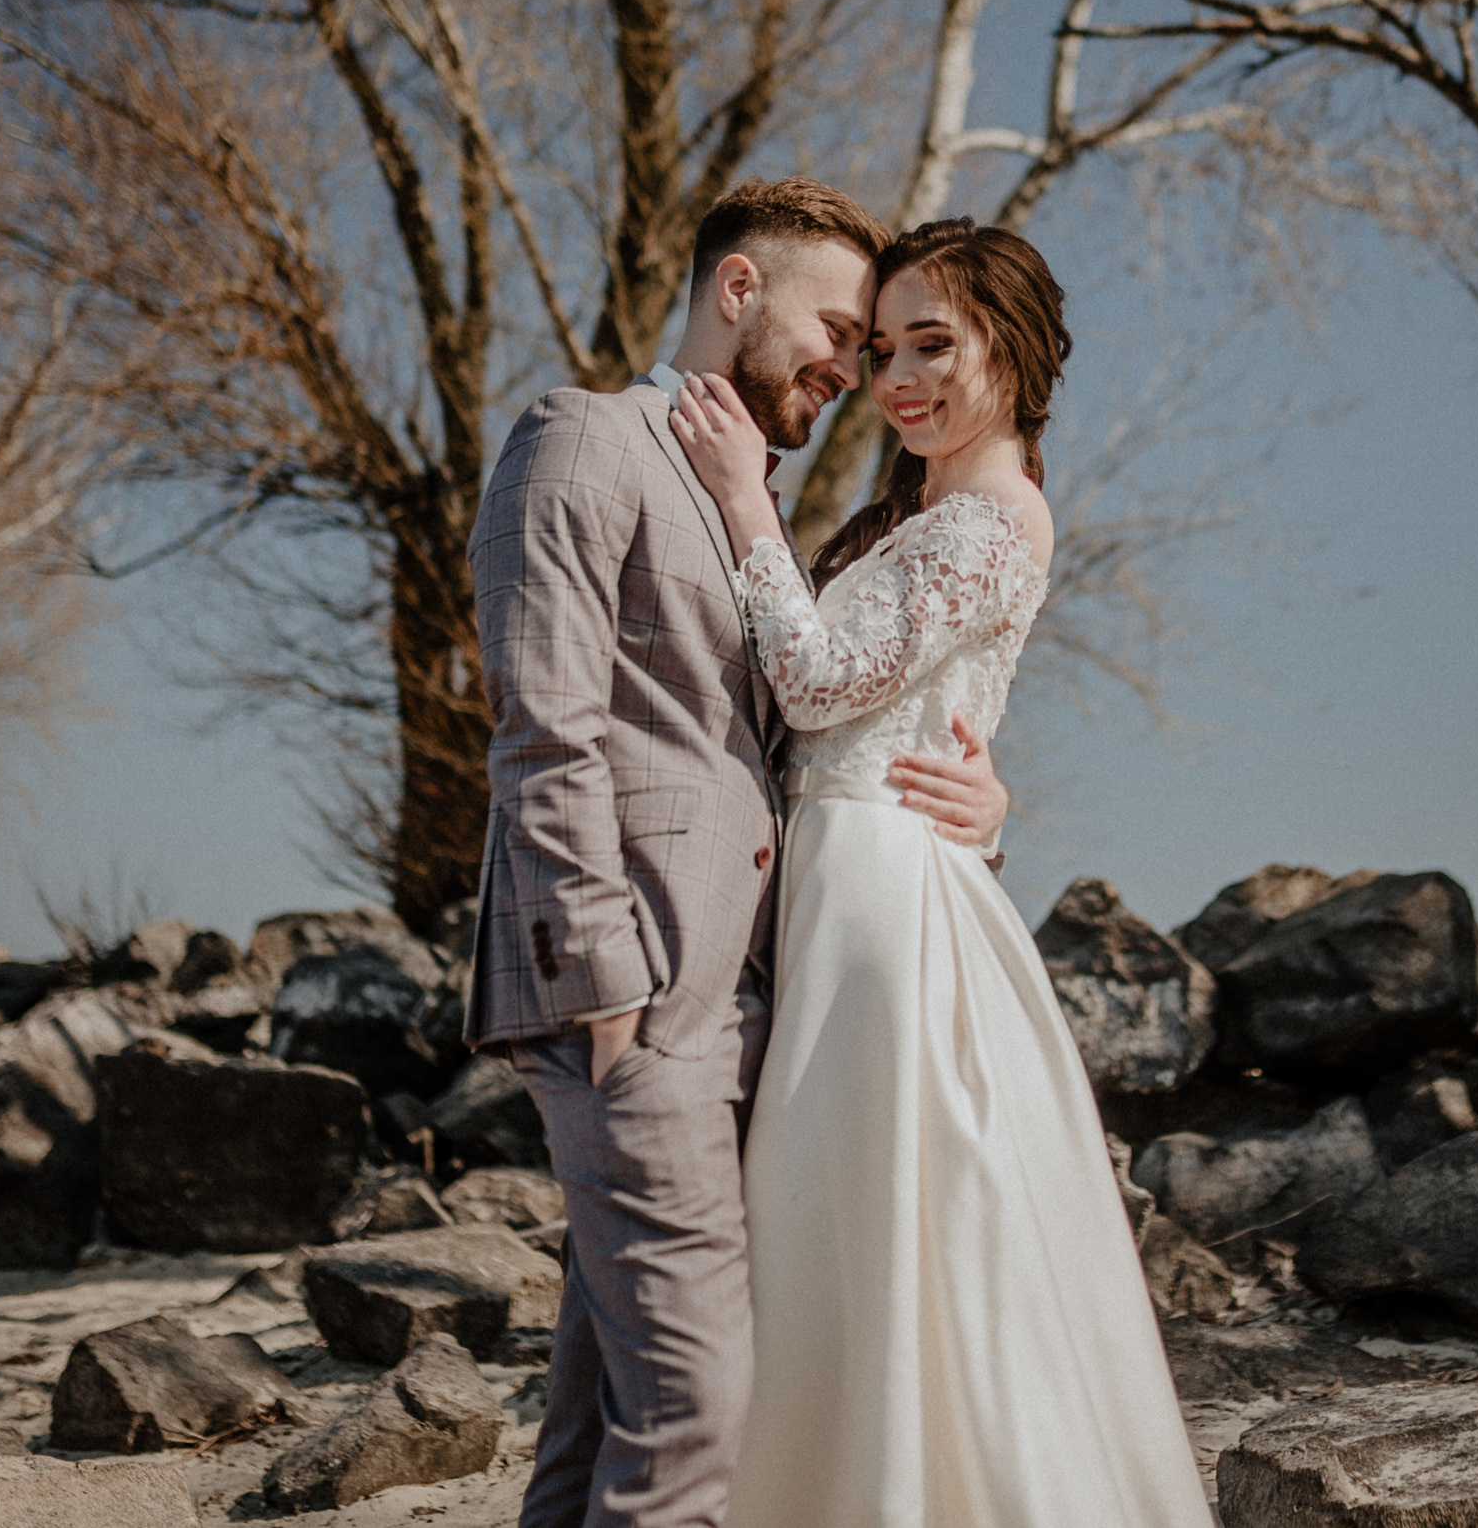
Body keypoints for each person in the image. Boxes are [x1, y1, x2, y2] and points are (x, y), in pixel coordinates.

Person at [465, 178, 1012, 1528]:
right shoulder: (583, 439)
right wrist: (600, 981)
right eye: (840, 327)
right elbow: (544, 724)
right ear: (738, 289)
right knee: (703, 1408)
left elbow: (817, 737)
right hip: (637, 1000)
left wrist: (977, 801)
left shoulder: (760, 512)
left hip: (750, 1021)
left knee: (599, 1423)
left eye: (877, 347)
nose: (854, 365)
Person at [668, 218, 1212, 1527]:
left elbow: (815, 679)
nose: (897, 378)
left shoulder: (992, 514)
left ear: (1012, 356)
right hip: (846, 879)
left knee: (889, 1227)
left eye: (933, 345)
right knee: (843, 1233)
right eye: (882, 349)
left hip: (888, 909)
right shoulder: (923, 507)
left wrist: (744, 496)